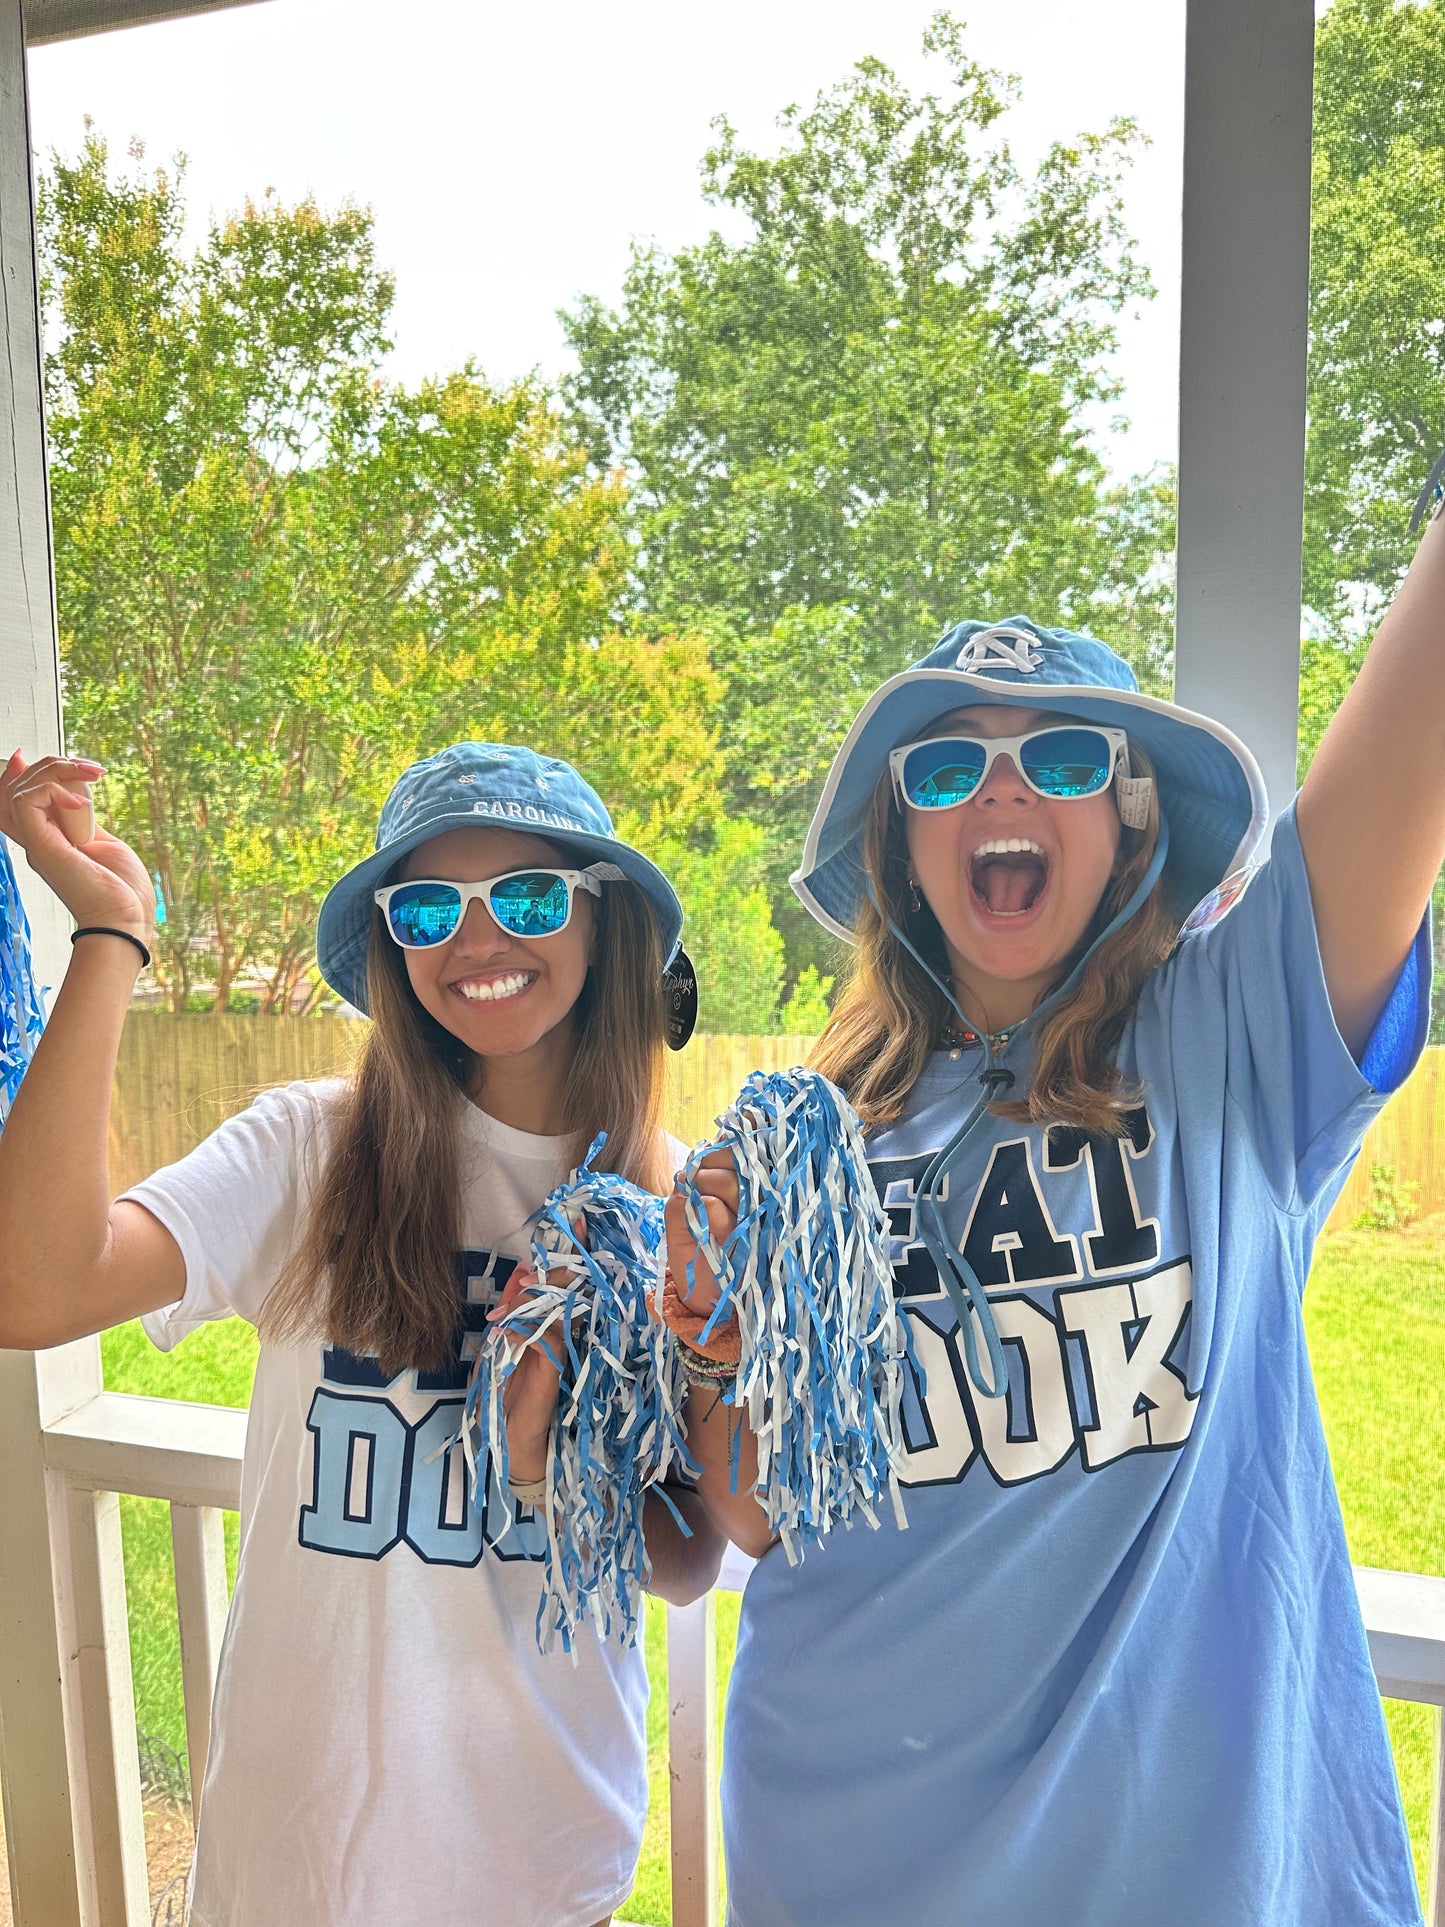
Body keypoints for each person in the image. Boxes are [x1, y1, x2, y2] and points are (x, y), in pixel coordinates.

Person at [666, 517, 1444, 1923]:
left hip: (1181, 1862)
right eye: (949, 765)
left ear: (1129, 821)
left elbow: (1410, 733)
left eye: (1067, 759)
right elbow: (755, 1513)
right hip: (844, 1841)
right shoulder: (809, 1130)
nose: (1003, 789)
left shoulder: (1237, 1029)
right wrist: (708, 1335)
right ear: (902, 846)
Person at [0, 741, 722, 1927]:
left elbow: (689, 1557)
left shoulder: (674, 1208)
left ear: (607, 927)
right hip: (297, 1864)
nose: (477, 940)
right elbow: (32, 1288)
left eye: (530, 896)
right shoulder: (306, 1152)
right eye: (430, 906)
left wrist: (546, 1461)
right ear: (392, 944)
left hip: (539, 1864)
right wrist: (109, 938)